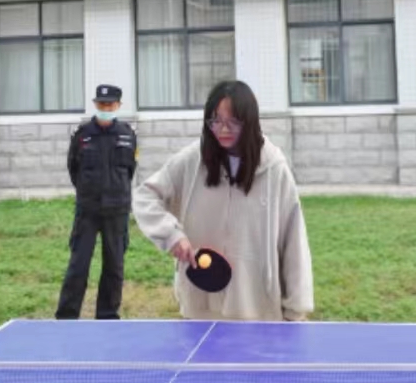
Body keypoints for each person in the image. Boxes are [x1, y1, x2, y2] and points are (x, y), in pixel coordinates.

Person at [133, 79, 313, 320]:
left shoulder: (275, 170)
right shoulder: (191, 160)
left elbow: (294, 241)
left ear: (249, 121)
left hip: (257, 314)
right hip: (200, 309)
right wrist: (171, 235)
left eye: (233, 122)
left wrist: (296, 309)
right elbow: (145, 196)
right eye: (215, 121)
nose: (223, 130)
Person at [56, 84, 138, 320]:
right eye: (102, 104)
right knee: (78, 265)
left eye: (110, 104)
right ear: (95, 105)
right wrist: (88, 192)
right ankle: (67, 316)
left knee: (114, 266)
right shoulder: (82, 135)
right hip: (88, 211)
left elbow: (130, 170)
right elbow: (73, 168)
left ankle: (107, 316)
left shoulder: (127, 135)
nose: (106, 108)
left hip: (117, 210)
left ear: (118, 106)